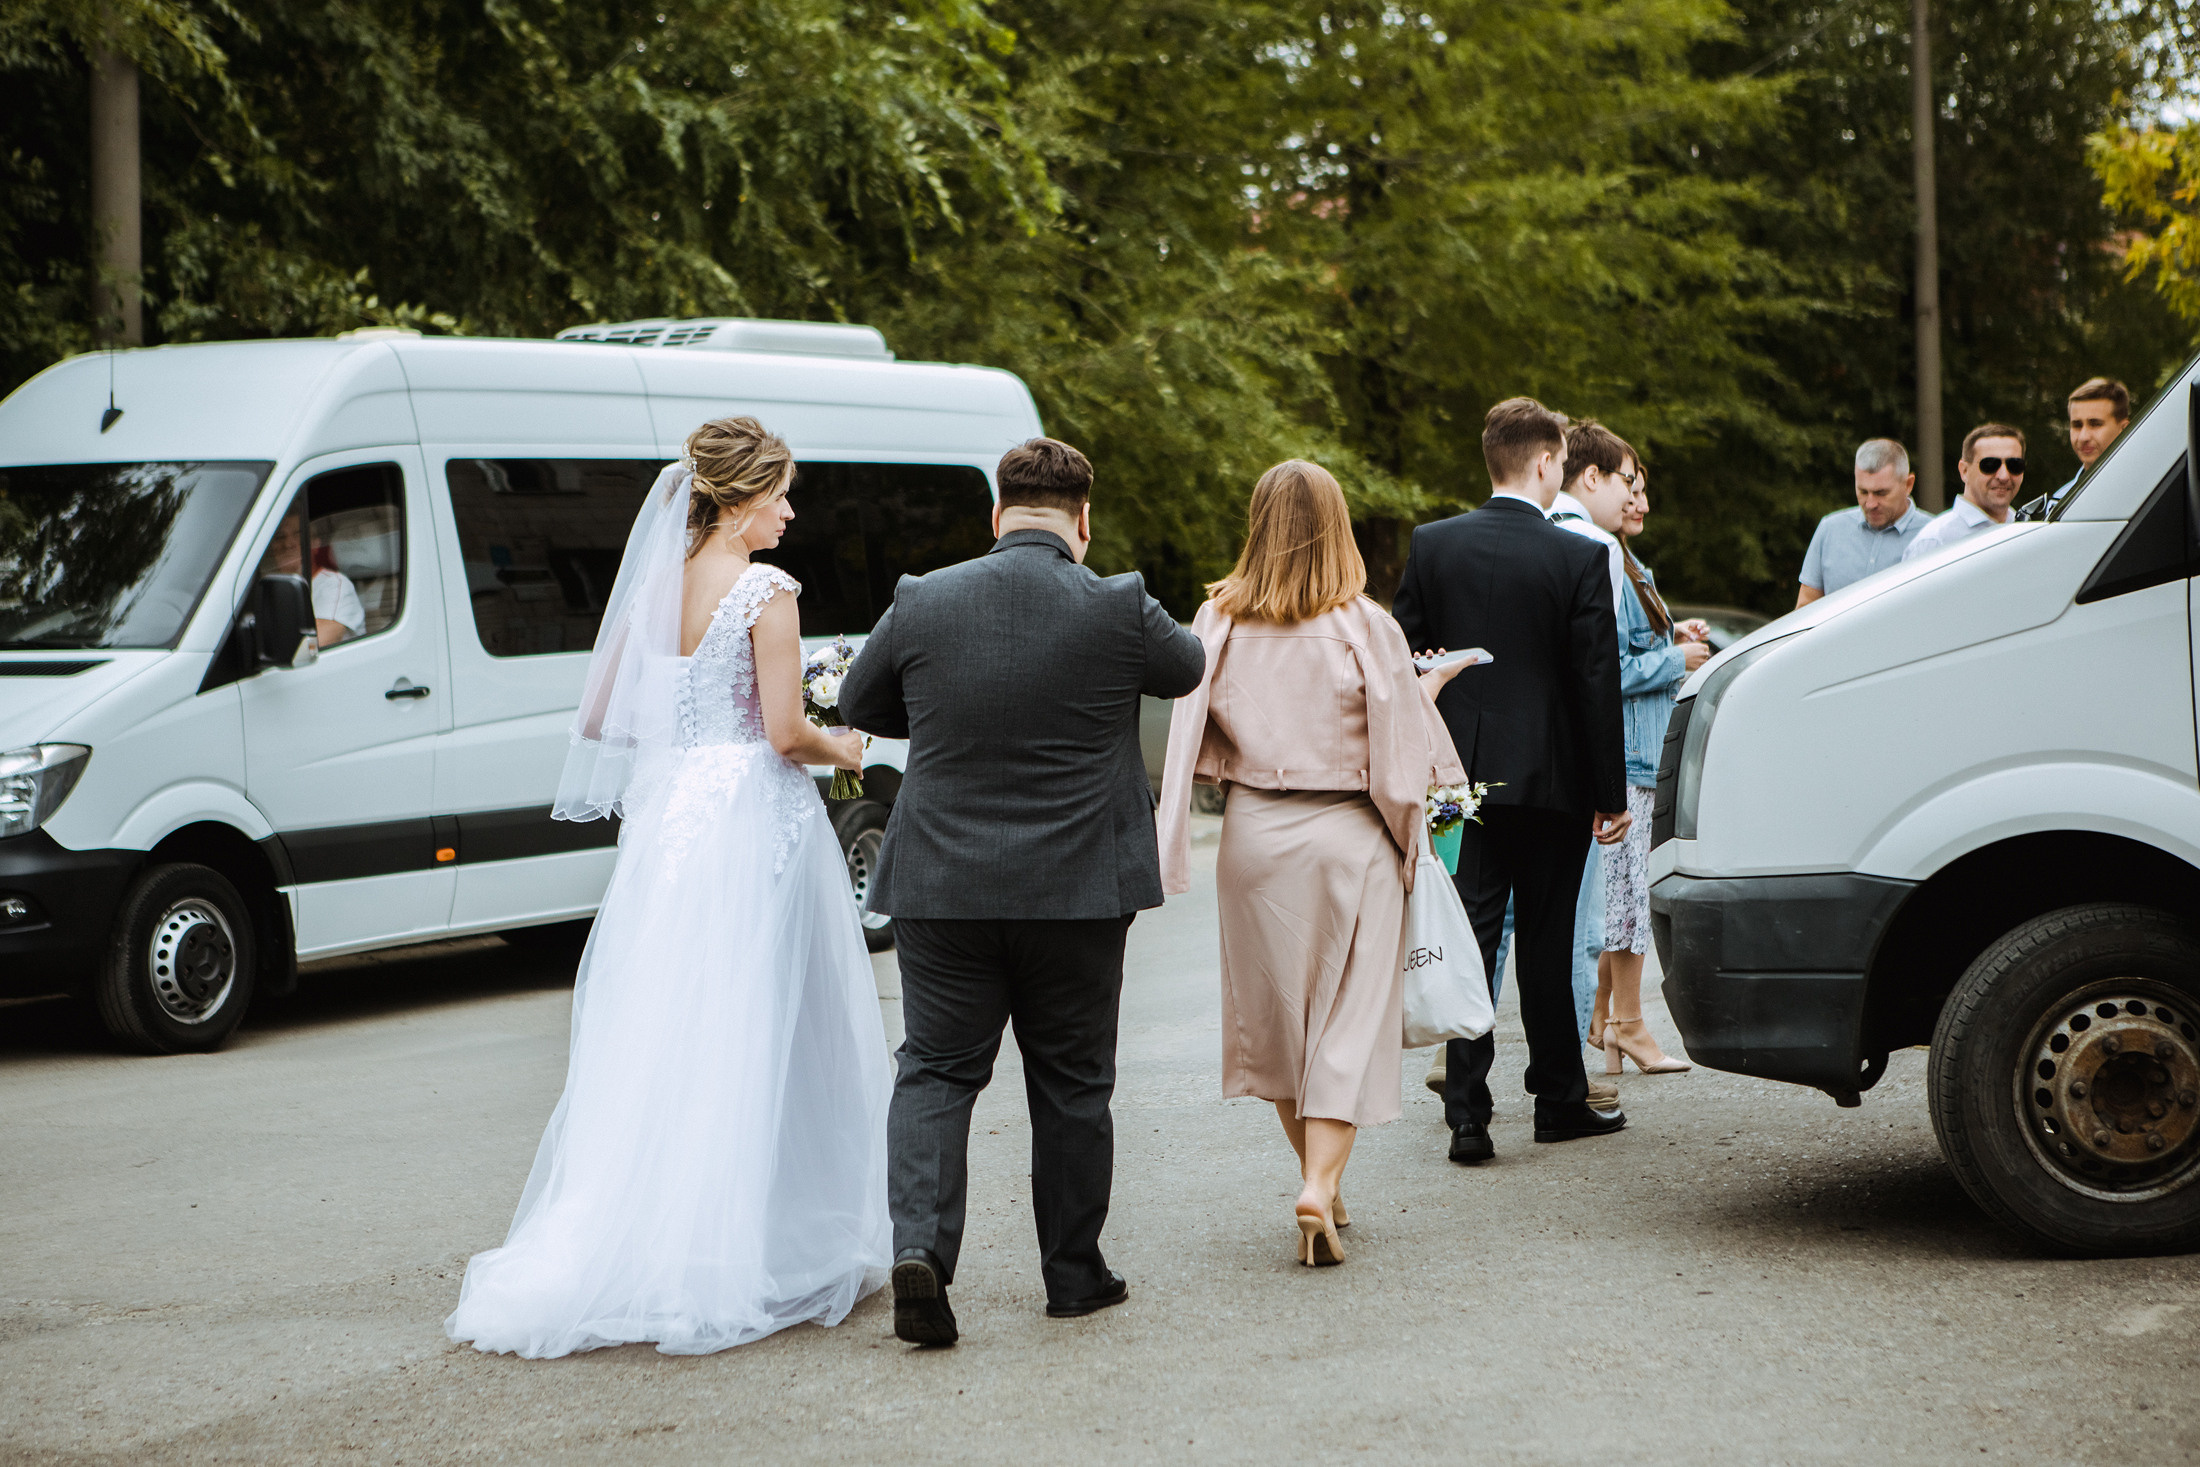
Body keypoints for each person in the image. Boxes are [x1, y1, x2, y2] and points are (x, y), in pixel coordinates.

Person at [445, 416, 886, 1359]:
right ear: (741, 496)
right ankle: (753, 1242)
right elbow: (780, 732)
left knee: (669, 1024)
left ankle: (645, 1239)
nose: (791, 509)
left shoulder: (660, 582)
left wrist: (684, 740)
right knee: (766, 1023)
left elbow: (603, 712)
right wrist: (844, 740)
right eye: (782, 493)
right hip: (752, 819)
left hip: (672, 822)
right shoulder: (767, 590)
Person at [839, 437, 1205, 1346]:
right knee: (1074, 1084)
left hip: (941, 884)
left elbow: (856, 703)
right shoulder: (1118, 603)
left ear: (996, 517)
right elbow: (1188, 666)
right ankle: (1074, 1277)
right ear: (1083, 522)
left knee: (935, 1068)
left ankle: (921, 1250)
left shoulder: (924, 598)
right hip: (1077, 892)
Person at [1157, 460, 1469, 1268]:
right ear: (1338, 527)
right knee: (1348, 1025)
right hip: (1350, 837)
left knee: (1283, 1027)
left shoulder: (1216, 620)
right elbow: (1400, 763)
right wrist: (1415, 843)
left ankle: (1317, 1176)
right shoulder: (1367, 625)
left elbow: (1194, 740)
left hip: (1254, 839)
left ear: (1257, 525)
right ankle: (1318, 1184)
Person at [1392, 396, 1632, 1166]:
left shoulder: (1433, 546)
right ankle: (1558, 1100)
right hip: (1555, 784)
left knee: (1472, 936)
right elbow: (1597, 683)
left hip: (1459, 784)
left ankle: (1468, 1115)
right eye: (1560, 461)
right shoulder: (1580, 556)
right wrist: (1611, 795)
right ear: (1543, 463)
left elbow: (1405, 668)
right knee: (1547, 943)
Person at [1594, 462, 1700, 1074]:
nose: (1640, 500)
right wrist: (1674, 660)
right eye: (1630, 485)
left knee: (1626, 894)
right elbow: (1611, 666)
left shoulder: (1632, 566)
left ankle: (1608, 1018)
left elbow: (1638, 648)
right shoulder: (1605, 559)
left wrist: (1672, 639)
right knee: (1628, 899)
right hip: (1632, 754)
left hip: (1646, 748)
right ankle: (1625, 1026)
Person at [1796, 439, 1932, 606]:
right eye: (1863, 491)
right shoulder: (1830, 529)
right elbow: (1805, 606)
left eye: (1881, 493)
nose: (1870, 503)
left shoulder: (1933, 536)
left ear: (1908, 484)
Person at [1903, 425, 2026, 563]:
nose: (2003, 476)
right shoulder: (1935, 542)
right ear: (1964, 471)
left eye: (2015, 465)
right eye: (1990, 465)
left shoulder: (2026, 532)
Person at [2036, 377, 2131, 518]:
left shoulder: (2149, 491)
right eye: (2077, 425)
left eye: (2095, 424)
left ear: (2123, 429)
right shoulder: (2059, 502)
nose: (2083, 437)